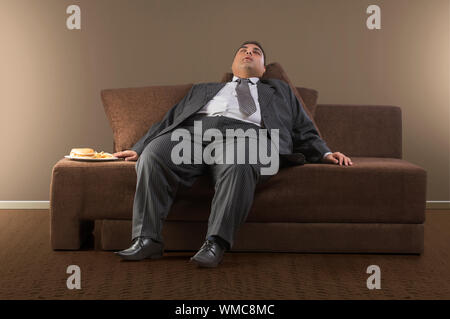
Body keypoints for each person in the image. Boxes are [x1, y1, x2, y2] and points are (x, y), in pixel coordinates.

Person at [113, 41, 353, 268]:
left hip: (247, 137)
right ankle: (147, 240)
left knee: (241, 159)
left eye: (256, 51)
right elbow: (169, 120)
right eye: (243, 50)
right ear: (233, 64)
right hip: (193, 134)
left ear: (263, 68)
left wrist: (324, 153)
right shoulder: (203, 89)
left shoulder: (280, 91)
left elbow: (303, 128)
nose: (248, 52)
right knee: (154, 155)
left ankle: (215, 243)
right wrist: (139, 148)